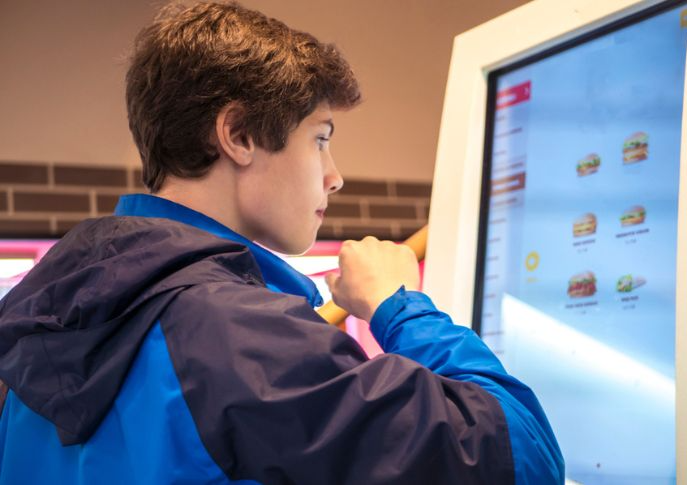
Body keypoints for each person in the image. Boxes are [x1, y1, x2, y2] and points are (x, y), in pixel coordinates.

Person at [0, 2, 563, 484]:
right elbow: (524, 457)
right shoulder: (241, 339)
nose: (334, 176)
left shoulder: (47, 322)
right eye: (320, 139)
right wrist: (400, 306)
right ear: (239, 135)